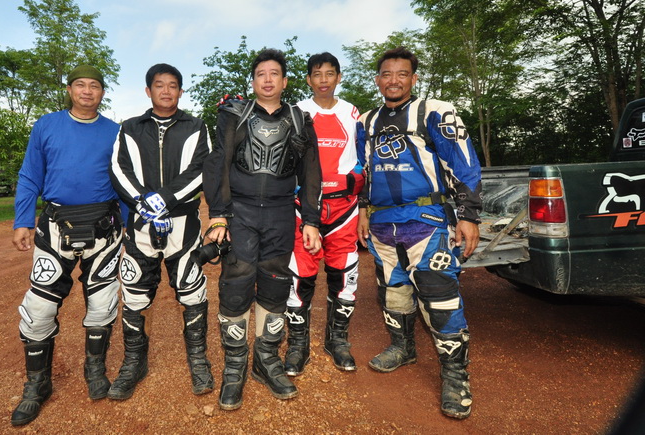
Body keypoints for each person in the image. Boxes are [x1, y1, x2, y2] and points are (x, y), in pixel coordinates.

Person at [357, 47, 482, 420]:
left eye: (402, 74)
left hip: (426, 219)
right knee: (392, 292)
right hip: (382, 224)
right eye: (386, 74)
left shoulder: (434, 112)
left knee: (439, 297)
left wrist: (468, 215)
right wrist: (363, 210)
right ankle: (403, 348)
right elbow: (363, 170)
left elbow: (463, 161)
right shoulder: (366, 121)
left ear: (413, 78)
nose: (393, 81)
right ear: (377, 80)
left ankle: (455, 376)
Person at [203, 48, 322, 410]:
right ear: (253, 81)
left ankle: (266, 359)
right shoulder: (234, 115)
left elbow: (312, 173)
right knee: (236, 283)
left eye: (274, 74)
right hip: (239, 212)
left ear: (284, 82)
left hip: (280, 213)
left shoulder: (301, 120)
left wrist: (311, 220)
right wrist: (218, 214)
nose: (267, 79)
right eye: (260, 74)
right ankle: (235, 366)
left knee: (275, 283)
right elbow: (218, 163)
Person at [10, 65, 124, 426]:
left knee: (103, 302)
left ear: (102, 92)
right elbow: (30, 174)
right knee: (39, 307)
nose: (87, 91)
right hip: (55, 226)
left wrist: (131, 227)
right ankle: (37, 384)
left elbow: (124, 183)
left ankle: (95, 370)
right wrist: (22, 220)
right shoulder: (46, 126)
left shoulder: (115, 132)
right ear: (70, 89)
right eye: (80, 85)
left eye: (94, 86)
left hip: (105, 227)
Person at [108, 63, 213, 400]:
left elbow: (203, 168)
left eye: (172, 85)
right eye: (159, 85)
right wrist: (143, 202)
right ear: (148, 90)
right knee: (135, 294)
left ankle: (198, 360)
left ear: (180, 91)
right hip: (140, 225)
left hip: (184, 225)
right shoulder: (129, 128)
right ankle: (134, 362)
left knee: (192, 291)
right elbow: (118, 169)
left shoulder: (196, 126)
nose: (166, 91)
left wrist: (164, 198)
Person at [284, 52, 364, 376]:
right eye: (317, 74)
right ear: (308, 80)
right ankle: (297, 344)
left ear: (339, 77)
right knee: (300, 275)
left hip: (344, 206)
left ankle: (337, 340)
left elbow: (365, 159)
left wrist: (365, 205)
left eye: (330, 74)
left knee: (344, 274)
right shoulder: (297, 112)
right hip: (305, 207)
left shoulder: (353, 113)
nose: (323, 80)